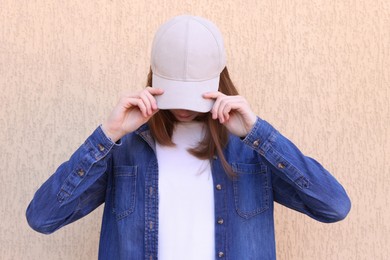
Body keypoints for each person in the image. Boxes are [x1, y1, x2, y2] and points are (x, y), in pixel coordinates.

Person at [26, 15, 351, 260]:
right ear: (154, 75)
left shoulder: (251, 151)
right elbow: (42, 218)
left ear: (219, 78)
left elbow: (334, 206)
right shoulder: (126, 149)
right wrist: (108, 135)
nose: (183, 106)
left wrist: (258, 134)